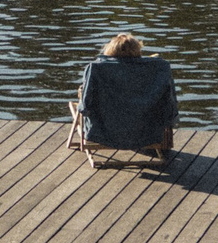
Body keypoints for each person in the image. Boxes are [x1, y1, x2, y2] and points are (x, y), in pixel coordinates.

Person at [75, 33, 177, 166]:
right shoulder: (158, 68)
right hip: (147, 132)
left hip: (102, 132)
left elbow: (85, 107)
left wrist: (80, 106)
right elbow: (169, 103)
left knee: (80, 102)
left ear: (110, 49)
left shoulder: (97, 68)